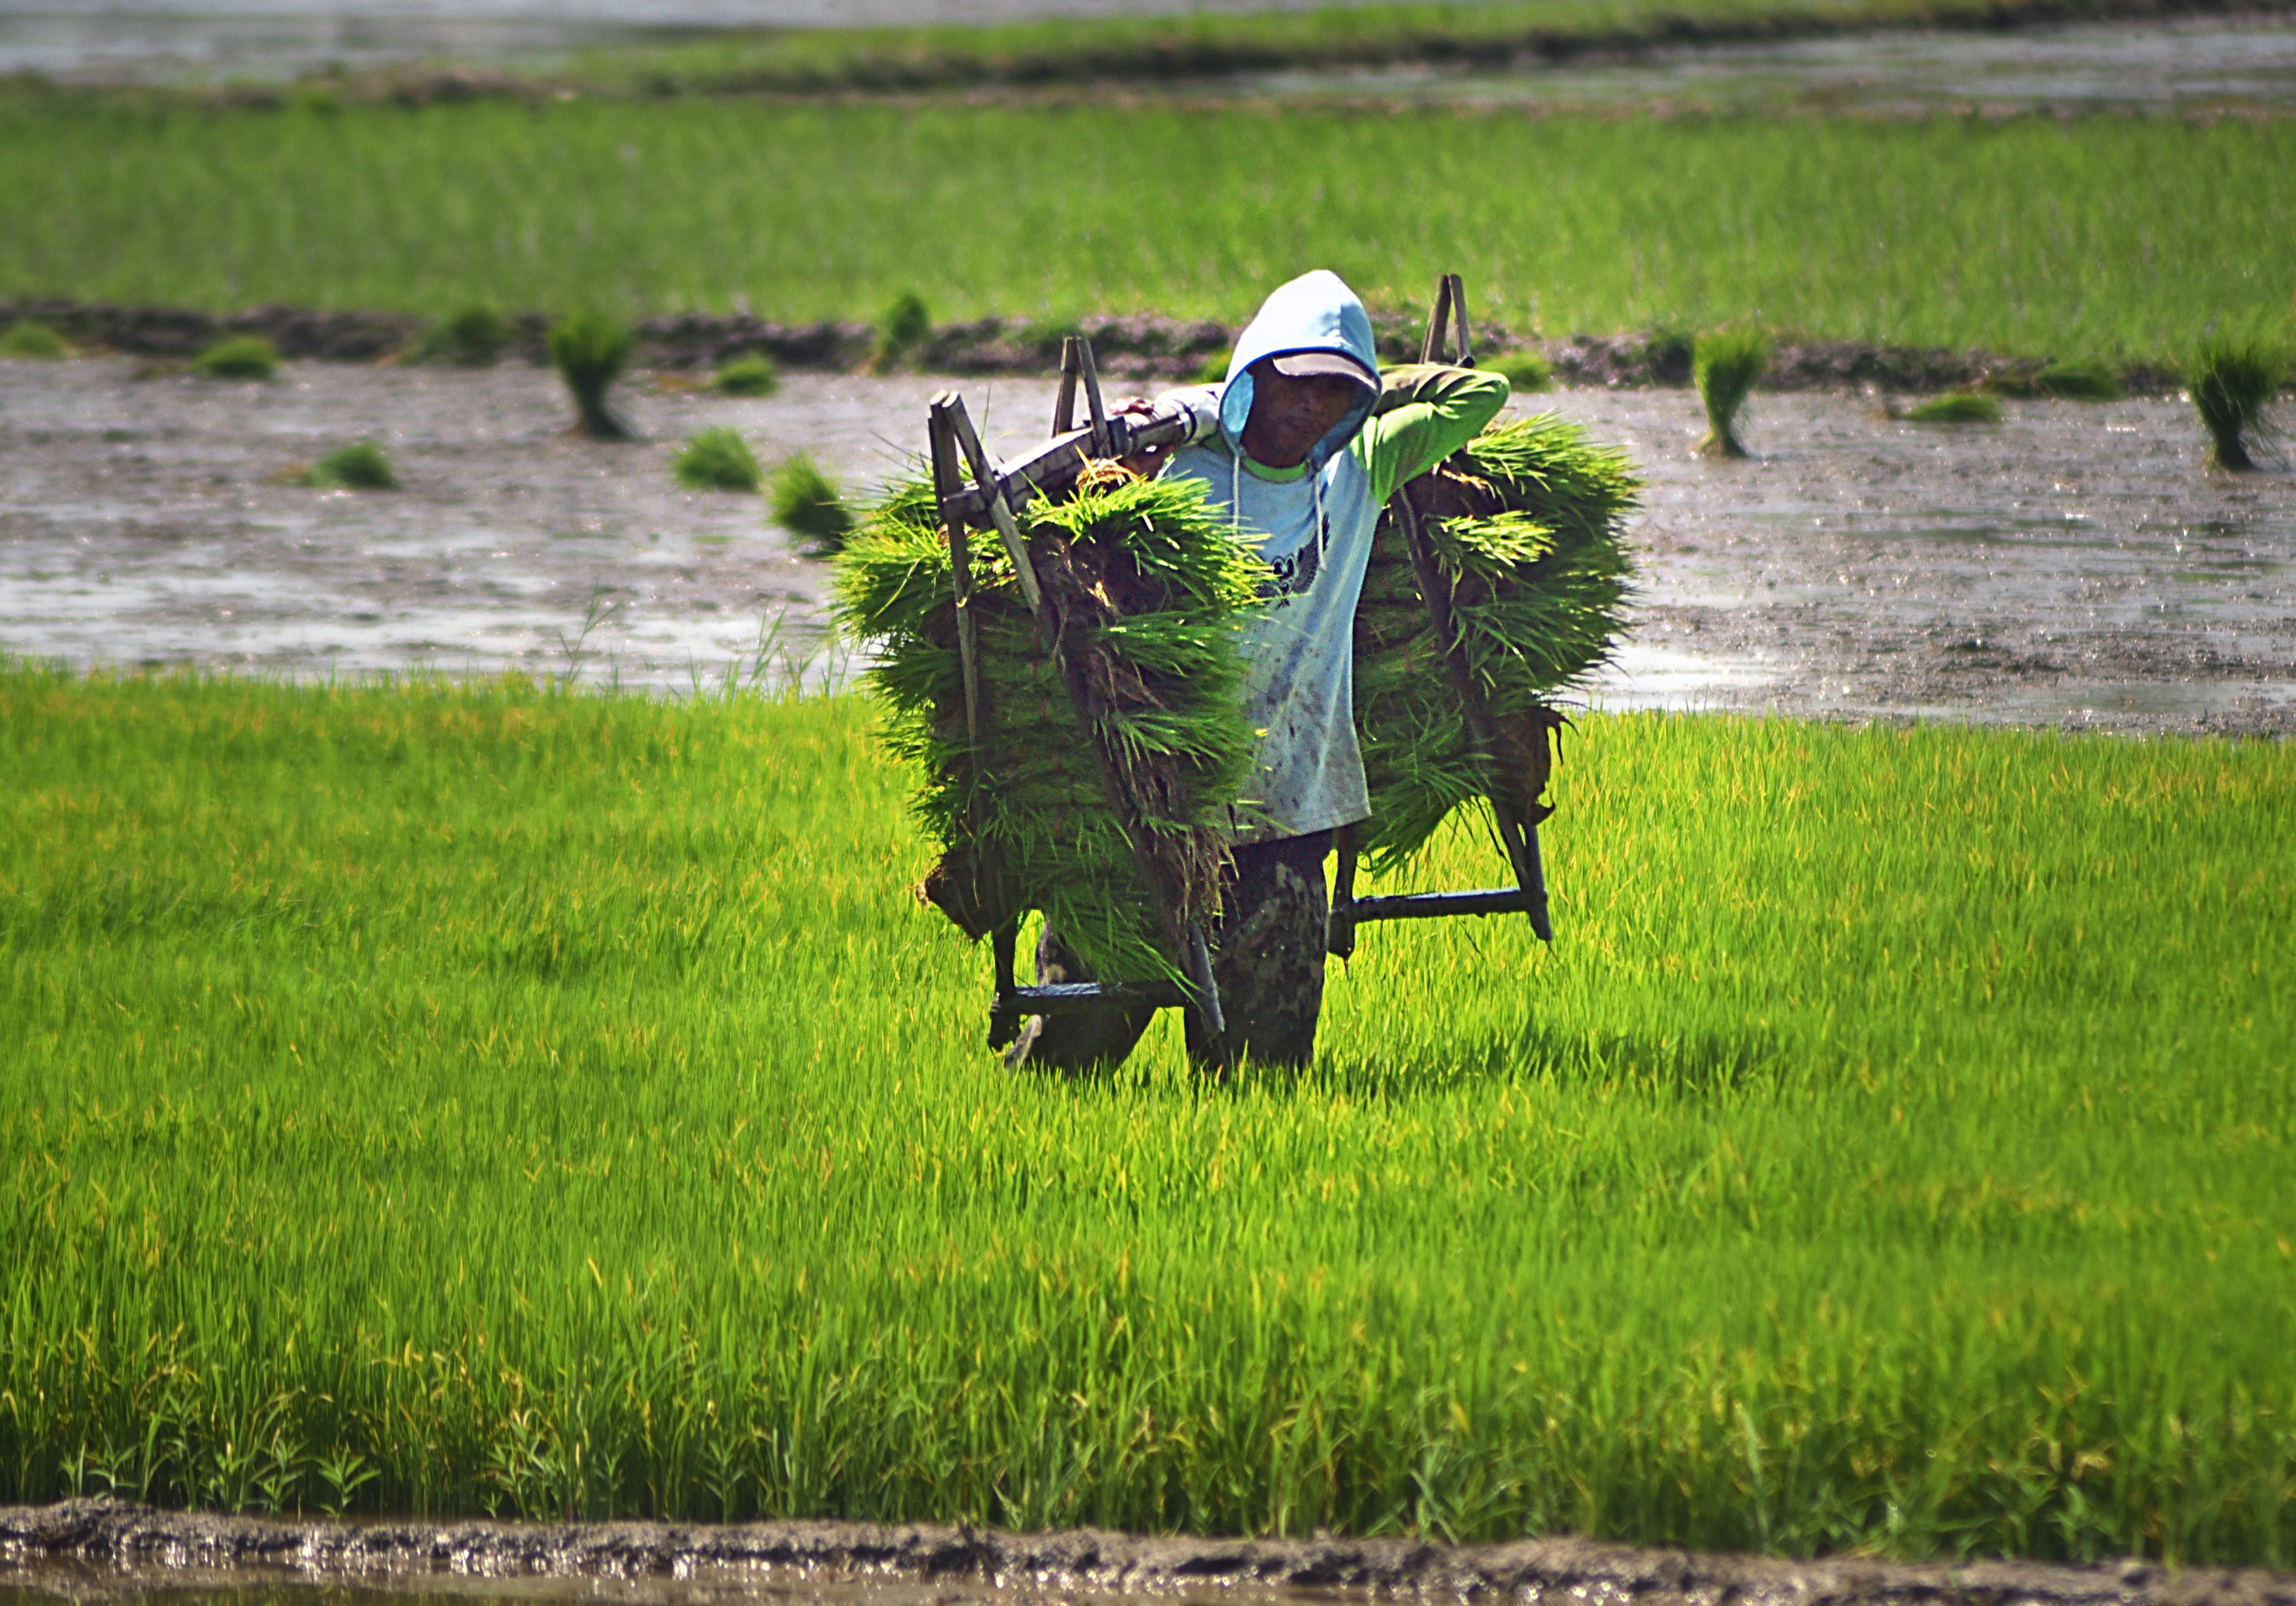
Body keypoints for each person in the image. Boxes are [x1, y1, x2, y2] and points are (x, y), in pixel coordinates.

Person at [1004, 269, 1508, 1073]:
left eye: (1333, 395)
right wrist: (1203, 409)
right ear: (1256, 373)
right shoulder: (1171, 467)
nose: (1309, 409)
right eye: (1294, 384)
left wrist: (1368, 387)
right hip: (1149, 799)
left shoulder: (1363, 467)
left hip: (1288, 800)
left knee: (1259, 1074)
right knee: (1071, 1054)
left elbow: (1479, 393)